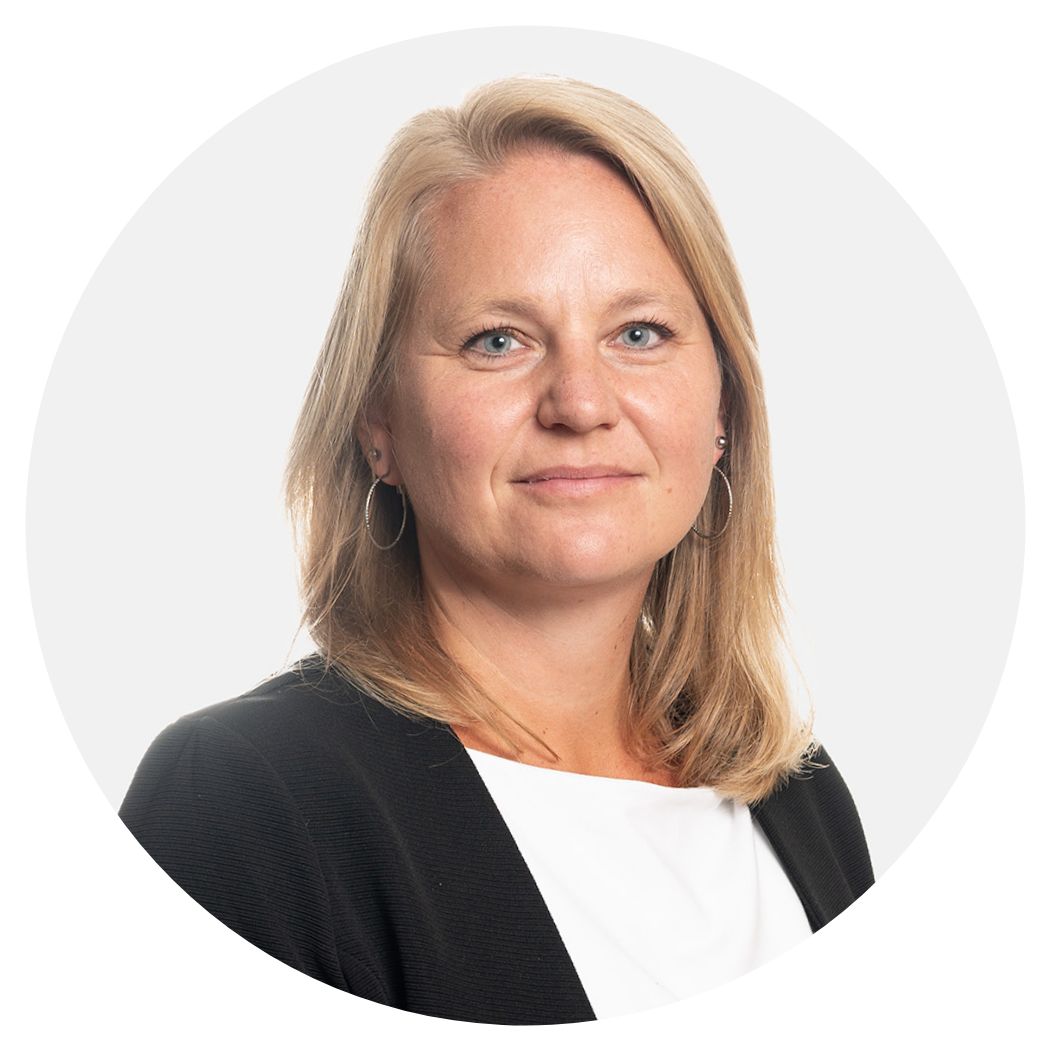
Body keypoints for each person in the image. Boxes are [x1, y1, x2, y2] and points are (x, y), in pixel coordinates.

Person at [119, 74, 874, 1024]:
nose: (580, 403)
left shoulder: (797, 795)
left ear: (721, 405)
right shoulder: (240, 804)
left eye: (639, 332)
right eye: (496, 341)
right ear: (377, 420)